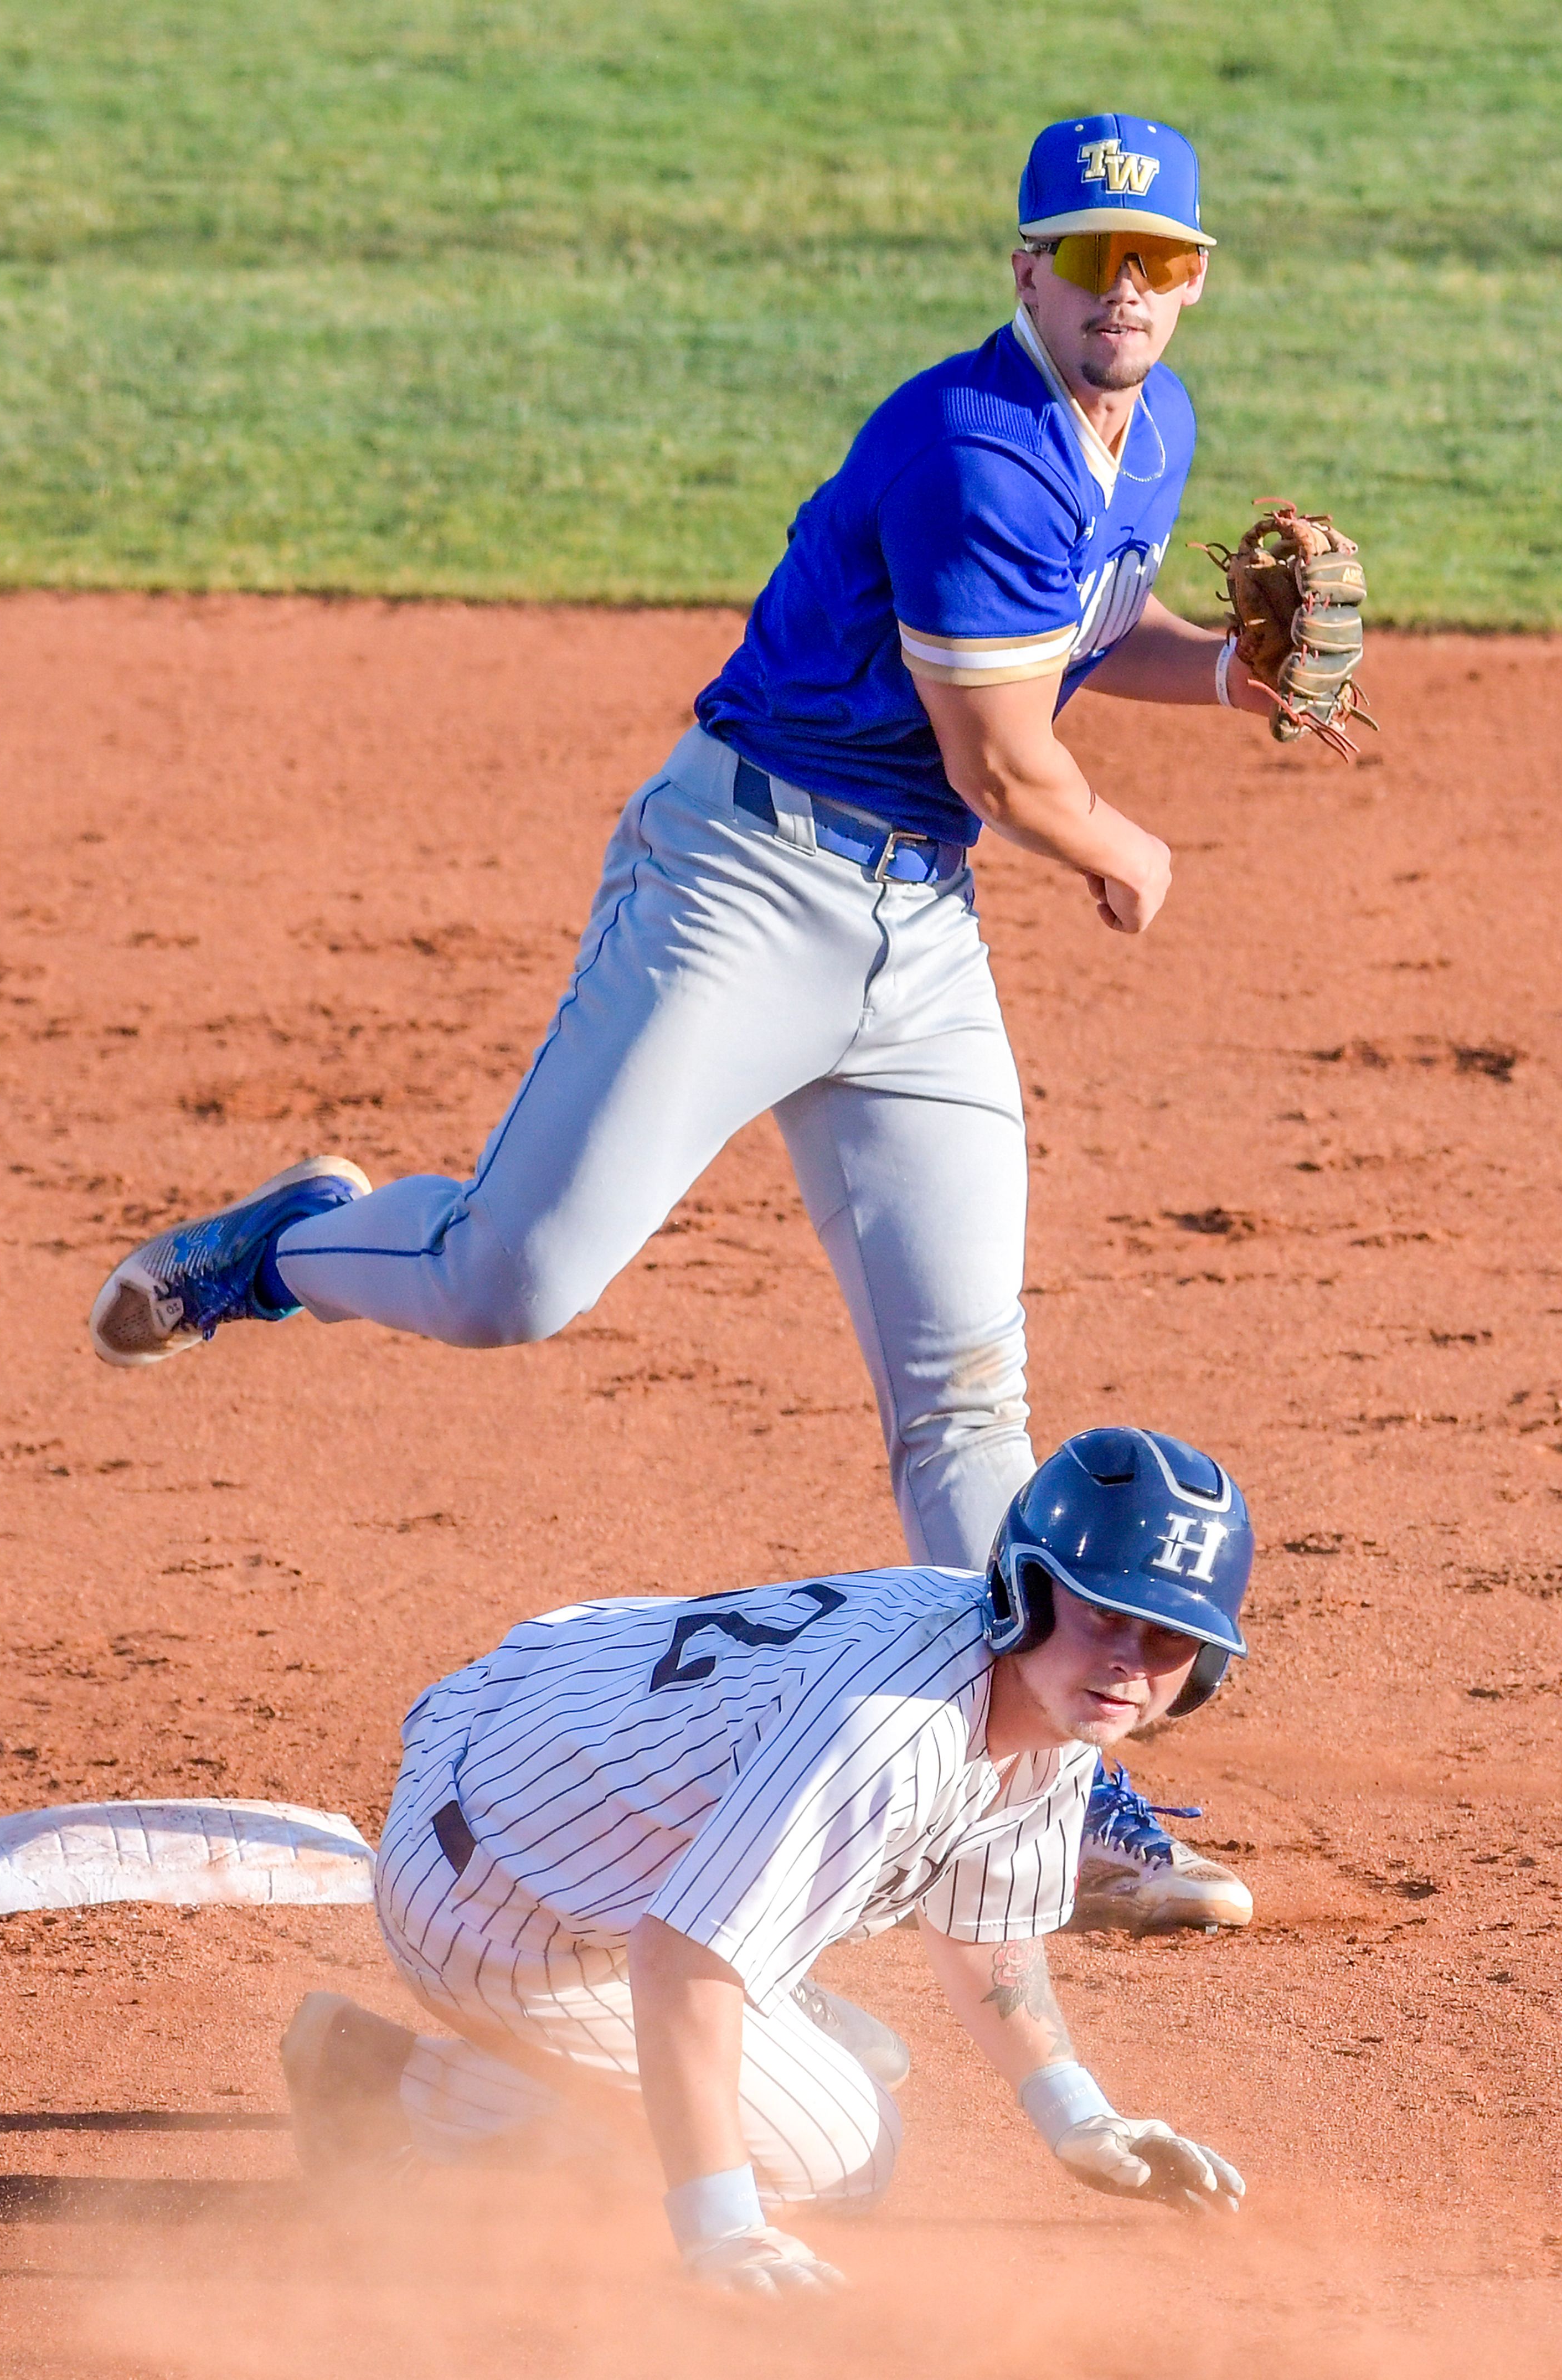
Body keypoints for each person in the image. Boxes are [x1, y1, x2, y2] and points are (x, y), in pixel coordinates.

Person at [89, 113, 1271, 1927]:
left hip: (917, 931)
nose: (1130, 294)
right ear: (1025, 269)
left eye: (1162, 263)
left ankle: (1056, 1795)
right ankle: (289, 1243)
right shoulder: (970, 444)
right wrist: (1125, 846)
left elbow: (1078, 643)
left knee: (967, 1390)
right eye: (1095, 259)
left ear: (1194, 276)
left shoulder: (1151, 432)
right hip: (744, 887)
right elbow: (1004, 755)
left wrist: (1234, 667)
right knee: (512, 1283)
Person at [279, 1429, 1251, 2293]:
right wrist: (724, 2230)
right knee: (840, 2162)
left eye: (1169, 1635)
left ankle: (761, 2019)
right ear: (1026, 1593)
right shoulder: (891, 1727)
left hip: (545, 1761)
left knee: (796, 2050)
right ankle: (390, 2092)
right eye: (1103, 1614)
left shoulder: (1049, 1702)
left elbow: (986, 1930)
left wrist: (1076, 2114)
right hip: (500, 1901)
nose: (1131, 1660)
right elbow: (678, 1961)